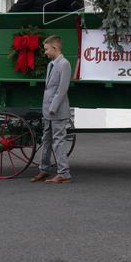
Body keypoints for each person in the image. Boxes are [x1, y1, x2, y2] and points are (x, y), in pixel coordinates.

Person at [30, 35, 73, 184]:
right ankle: (44, 170)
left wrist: (53, 108)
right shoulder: (51, 64)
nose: (45, 52)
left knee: (58, 141)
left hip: (57, 111)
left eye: (47, 49)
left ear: (55, 48)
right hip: (48, 110)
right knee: (46, 140)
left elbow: (62, 89)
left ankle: (64, 173)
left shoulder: (64, 64)